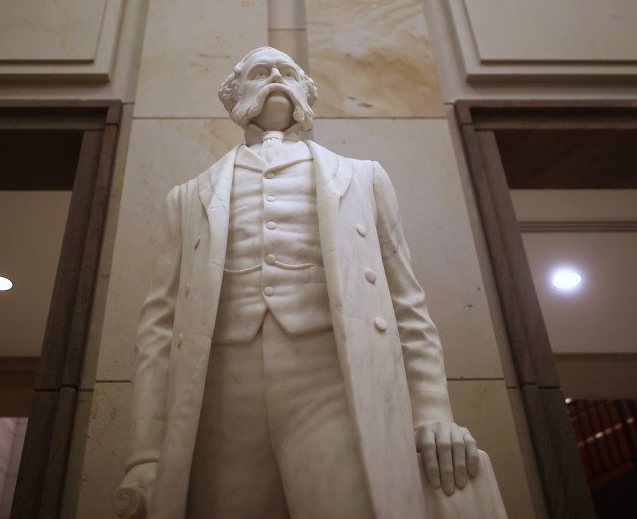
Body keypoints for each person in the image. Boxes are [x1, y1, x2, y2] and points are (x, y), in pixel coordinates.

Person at [116, 47, 483, 519]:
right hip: (221, 408)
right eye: (259, 72)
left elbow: (406, 304)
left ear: (306, 92)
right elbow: (159, 331)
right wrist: (146, 454)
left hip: (332, 397)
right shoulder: (186, 199)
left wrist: (433, 412)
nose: (275, 77)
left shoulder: (364, 179)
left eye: (287, 71)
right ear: (233, 97)